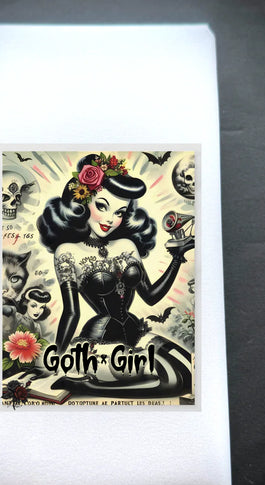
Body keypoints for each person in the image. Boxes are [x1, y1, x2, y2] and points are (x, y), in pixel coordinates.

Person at [36, 153, 194, 398]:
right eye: (102, 206)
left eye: (120, 212)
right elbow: (71, 312)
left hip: (135, 332)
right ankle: (83, 384)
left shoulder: (127, 245)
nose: (111, 219)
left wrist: (177, 257)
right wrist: (57, 360)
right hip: (98, 342)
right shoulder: (67, 252)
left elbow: (151, 296)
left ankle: (86, 384)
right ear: (81, 203)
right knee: (172, 381)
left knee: (187, 372)